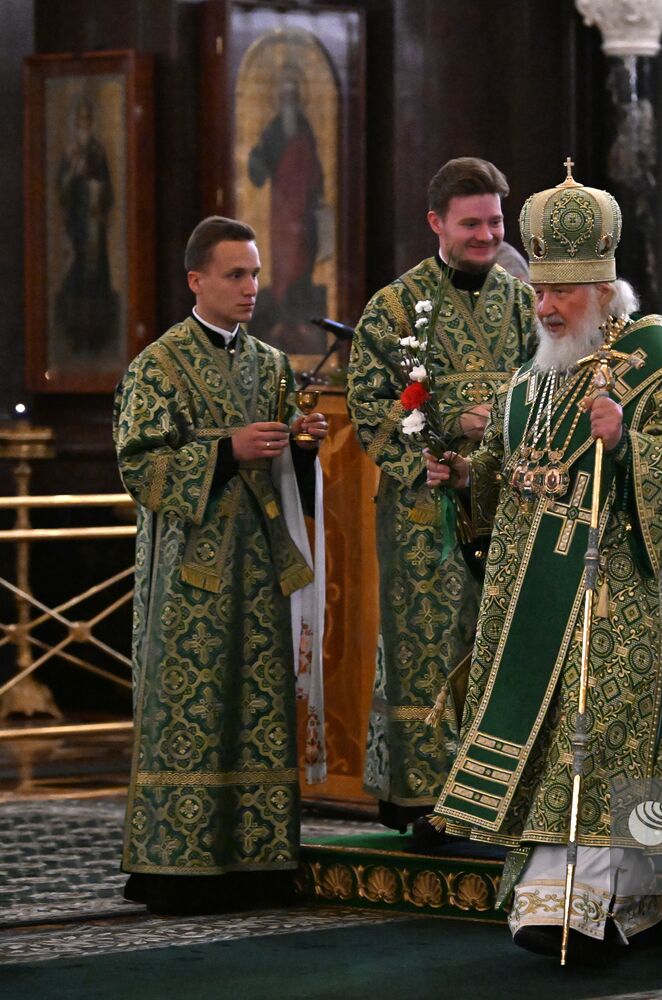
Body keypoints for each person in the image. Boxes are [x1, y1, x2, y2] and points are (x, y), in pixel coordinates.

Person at [427, 164, 662, 959]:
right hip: (533, 599)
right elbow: (500, 480)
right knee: (547, 741)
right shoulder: (533, 376)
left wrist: (627, 441)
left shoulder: (654, 353)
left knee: (602, 739)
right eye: (540, 292)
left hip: (619, 590)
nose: (547, 307)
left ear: (603, 288)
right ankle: (547, 897)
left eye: (563, 293)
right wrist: (461, 479)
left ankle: (605, 903)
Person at [113, 216, 328, 915]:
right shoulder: (158, 365)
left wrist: (300, 446)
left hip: (258, 573)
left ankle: (258, 863)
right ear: (196, 280)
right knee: (193, 711)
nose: (251, 287)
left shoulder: (271, 364)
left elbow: (286, 473)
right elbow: (139, 467)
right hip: (188, 581)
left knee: (255, 710)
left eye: (256, 273)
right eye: (235, 274)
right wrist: (225, 451)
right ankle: (177, 868)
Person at [348, 158, 535, 842]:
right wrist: (450, 425)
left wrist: (507, 432)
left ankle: (492, 796)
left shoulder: (523, 302)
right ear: (436, 224)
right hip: (424, 514)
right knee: (428, 647)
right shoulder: (393, 308)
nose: (487, 235)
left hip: (508, 504)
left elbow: (543, 391)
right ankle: (425, 798)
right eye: (471, 223)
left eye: (495, 221)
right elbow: (369, 404)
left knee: (499, 644)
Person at [246, 65, 328, 352]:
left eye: (294, 92)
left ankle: (301, 320)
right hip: (283, 210)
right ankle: (283, 319)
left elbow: (315, 165)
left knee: (304, 261)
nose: (289, 97)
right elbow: (257, 165)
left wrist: (317, 194)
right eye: (285, 93)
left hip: (305, 210)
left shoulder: (304, 126)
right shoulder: (272, 130)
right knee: (285, 264)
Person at [57, 97, 118, 356]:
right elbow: (61, 192)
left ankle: (97, 335)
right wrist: (72, 173)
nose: (84, 125)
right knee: (76, 276)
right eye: (80, 120)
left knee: (97, 278)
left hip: (95, 227)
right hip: (77, 228)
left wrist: (99, 195)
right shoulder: (70, 155)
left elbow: (110, 193)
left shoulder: (97, 152)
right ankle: (74, 332)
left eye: (87, 120)